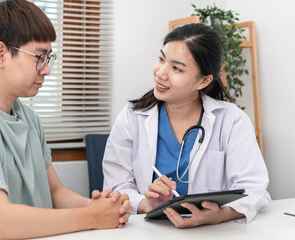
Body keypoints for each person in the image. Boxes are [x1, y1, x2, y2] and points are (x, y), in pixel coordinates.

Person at [0, 1, 133, 239]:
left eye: (49, 58)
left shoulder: (28, 117)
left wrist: (104, 208)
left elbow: (55, 192)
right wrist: (91, 217)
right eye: (39, 57)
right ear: (1, 54)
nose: (47, 70)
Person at [102, 23, 270, 228]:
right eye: (161, 59)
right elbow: (117, 186)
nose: (160, 73)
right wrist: (148, 204)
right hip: (148, 231)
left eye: (176, 68)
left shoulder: (232, 120)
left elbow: (254, 188)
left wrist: (218, 215)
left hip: (212, 232)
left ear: (203, 81)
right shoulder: (132, 117)